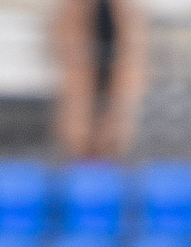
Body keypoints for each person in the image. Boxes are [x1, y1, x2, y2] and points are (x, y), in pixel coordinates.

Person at [51, 0, 147, 160]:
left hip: (115, 84)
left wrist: (117, 116)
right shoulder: (73, 10)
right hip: (81, 89)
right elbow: (70, 55)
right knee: (80, 136)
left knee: (111, 138)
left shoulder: (127, 11)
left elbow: (134, 56)